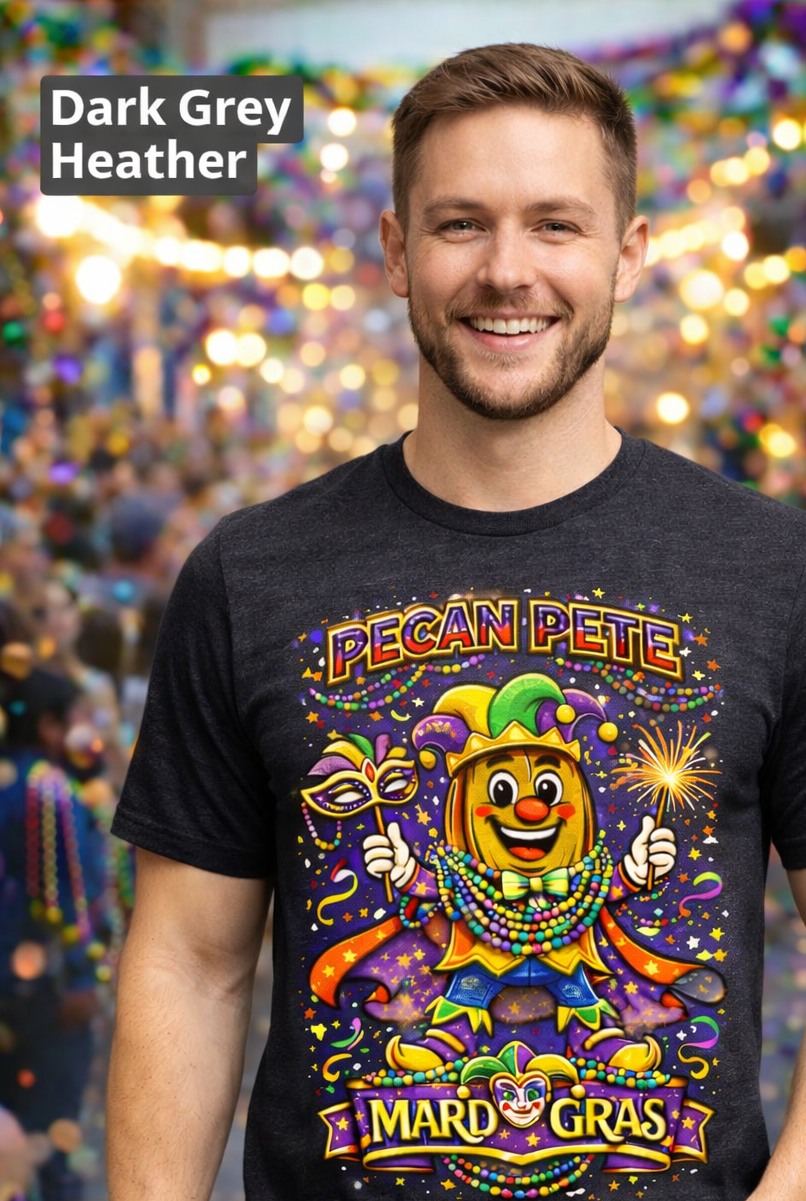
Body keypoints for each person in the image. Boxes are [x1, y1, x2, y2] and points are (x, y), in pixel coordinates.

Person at [107, 42, 806, 1201]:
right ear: (395, 252)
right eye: (458, 224)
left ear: (627, 256)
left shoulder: (770, 565)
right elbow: (189, 962)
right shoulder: (250, 571)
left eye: (554, 224)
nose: (505, 270)